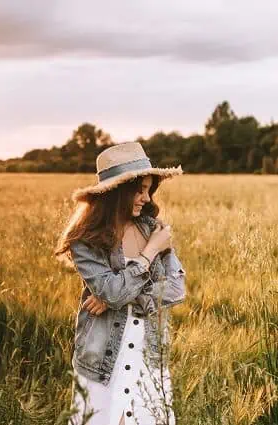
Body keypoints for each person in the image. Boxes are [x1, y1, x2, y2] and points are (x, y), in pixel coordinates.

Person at [55, 142, 186, 425]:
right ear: (117, 193)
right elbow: (114, 291)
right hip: (102, 358)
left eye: (149, 189)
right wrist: (149, 253)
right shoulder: (85, 241)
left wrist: (116, 296)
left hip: (148, 354)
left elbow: (176, 289)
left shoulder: (153, 228)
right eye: (139, 190)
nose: (146, 197)